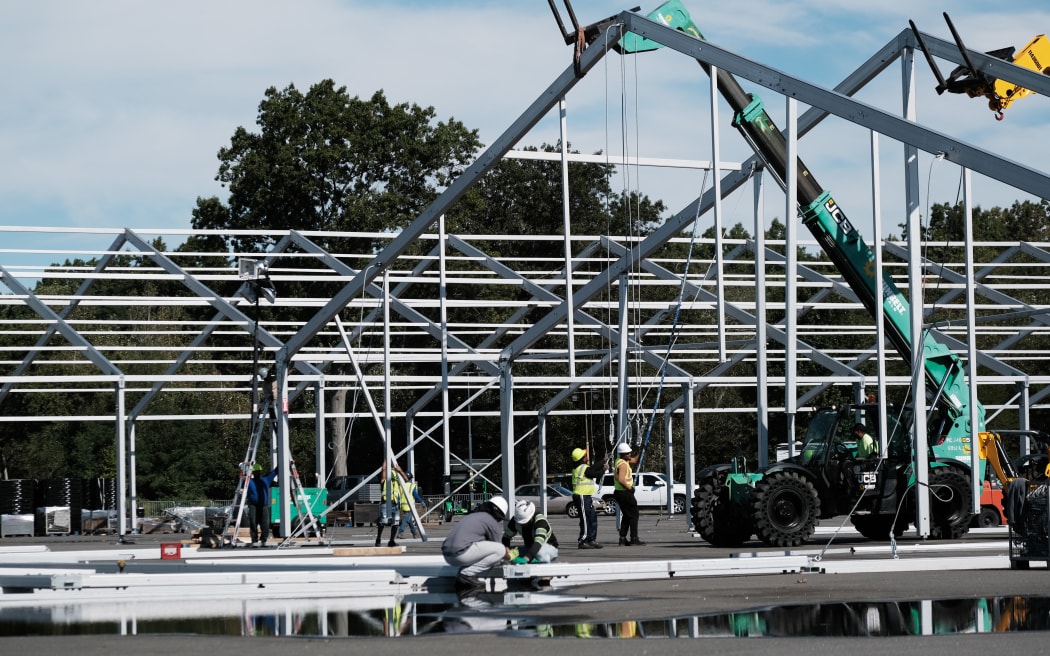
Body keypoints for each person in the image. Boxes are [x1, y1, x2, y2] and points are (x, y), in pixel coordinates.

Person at [441, 496, 511, 592]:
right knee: (500, 549)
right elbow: (498, 548)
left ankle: (463, 577)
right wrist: (509, 556)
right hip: (460, 554)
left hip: (447, 556)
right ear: (497, 513)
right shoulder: (490, 521)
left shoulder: (473, 516)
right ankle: (467, 574)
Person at [503, 499, 559, 564]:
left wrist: (526, 558)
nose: (522, 524)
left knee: (540, 553)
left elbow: (538, 542)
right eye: (520, 522)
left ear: (531, 516)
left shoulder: (540, 521)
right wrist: (508, 552)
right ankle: (532, 559)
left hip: (549, 549)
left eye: (525, 522)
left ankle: (540, 564)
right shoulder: (515, 520)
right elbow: (506, 537)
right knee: (505, 554)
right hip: (529, 548)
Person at [570, 447, 604, 549]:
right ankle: (582, 540)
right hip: (581, 496)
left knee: (592, 517)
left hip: (586, 497)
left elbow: (592, 468)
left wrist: (603, 461)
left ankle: (591, 539)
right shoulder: (583, 468)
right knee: (585, 519)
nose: (587, 457)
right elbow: (594, 472)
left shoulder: (581, 467)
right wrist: (603, 469)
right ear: (582, 459)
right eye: (585, 456)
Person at [613, 442, 645, 546]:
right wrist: (630, 488)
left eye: (630, 453)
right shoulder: (623, 465)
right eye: (627, 454)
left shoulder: (619, 461)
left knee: (627, 515)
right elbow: (621, 479)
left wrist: (642, 451)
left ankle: (622, 538)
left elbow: (635, 460)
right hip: (624, 492)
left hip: (619, 492)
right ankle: (634, 538)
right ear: (622, 454)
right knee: (634, 515)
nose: (630, 455)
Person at [376, 460, 408, 547]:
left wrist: (400, 471)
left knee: (395, 522)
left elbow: (406, 479)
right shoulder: (384, 480)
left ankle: (391, 541)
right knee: (383, 521)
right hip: (386, 503)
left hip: (395, 503)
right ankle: (378, 539)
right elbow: (383, 469)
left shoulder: (397, 482)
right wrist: (387, 458)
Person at [245, 463, 277, 548]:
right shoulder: (249, 481)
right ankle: (254, 540)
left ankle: (263, 540)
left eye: (258, 472)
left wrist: (284, 462)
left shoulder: (265, 480)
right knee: (253, 522)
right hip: (253, 506)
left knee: (265, 524)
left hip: (263, 506)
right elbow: (242, 480)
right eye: (256, 472)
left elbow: (275, 472)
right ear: (253, 473)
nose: (257, 473)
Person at [396, 471, 425, 539]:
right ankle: (400, 532)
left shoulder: (401, 485)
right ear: (411, 478)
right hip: (409, 506)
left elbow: (399, 496)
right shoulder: (412, 486)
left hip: (403, 505)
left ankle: (415, 533)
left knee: (409, 520)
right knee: (406, 519)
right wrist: (421, 501)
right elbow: (415, 495)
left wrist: (398, 504)